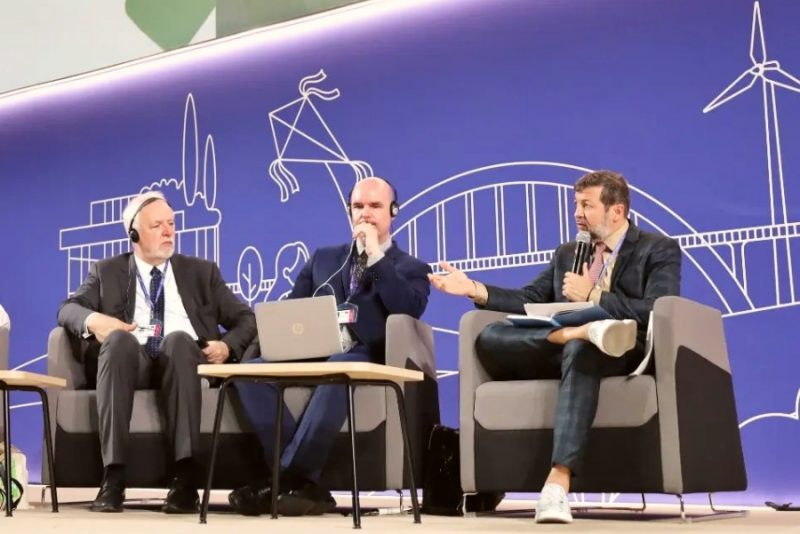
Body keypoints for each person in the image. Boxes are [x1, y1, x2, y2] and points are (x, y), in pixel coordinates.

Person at [429, 170, 681, 524]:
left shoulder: (657, 248)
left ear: (617, 211)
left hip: (623, 346)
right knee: (490, 337)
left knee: (584, 348)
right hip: (567, 341)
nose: (577, 213)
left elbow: (658, 308)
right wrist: (474, 289)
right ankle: (570, 335)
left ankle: (557, 483)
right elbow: (530, 298)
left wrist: (594, 296)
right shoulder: (568, 252)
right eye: (576, 204)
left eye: (586, 205)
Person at [229, 177, 431, 516]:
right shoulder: (323, 258)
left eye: (375, 206)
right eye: (358, 206)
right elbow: (292, 308)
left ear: (393, 212)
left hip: (364, 351)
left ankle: (284, 479)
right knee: (248, 374)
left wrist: (376, 257)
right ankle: (302, 483)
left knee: (339, 365)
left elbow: (407, 308)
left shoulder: (411, 268)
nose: (365, 214)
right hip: (312, 347)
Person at [57, 191, 256, 514]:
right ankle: (113, 478)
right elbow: (68, 310)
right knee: (118, 342)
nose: (168, 232)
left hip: (182, 360)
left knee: (178, 340)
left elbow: (246, 318)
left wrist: (227, 346)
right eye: (157, 226)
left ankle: (185, 481)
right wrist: (96, 321)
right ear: (134, 234)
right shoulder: (107, 271)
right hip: (130, 360)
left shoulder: (201, 272)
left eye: (171, 224)